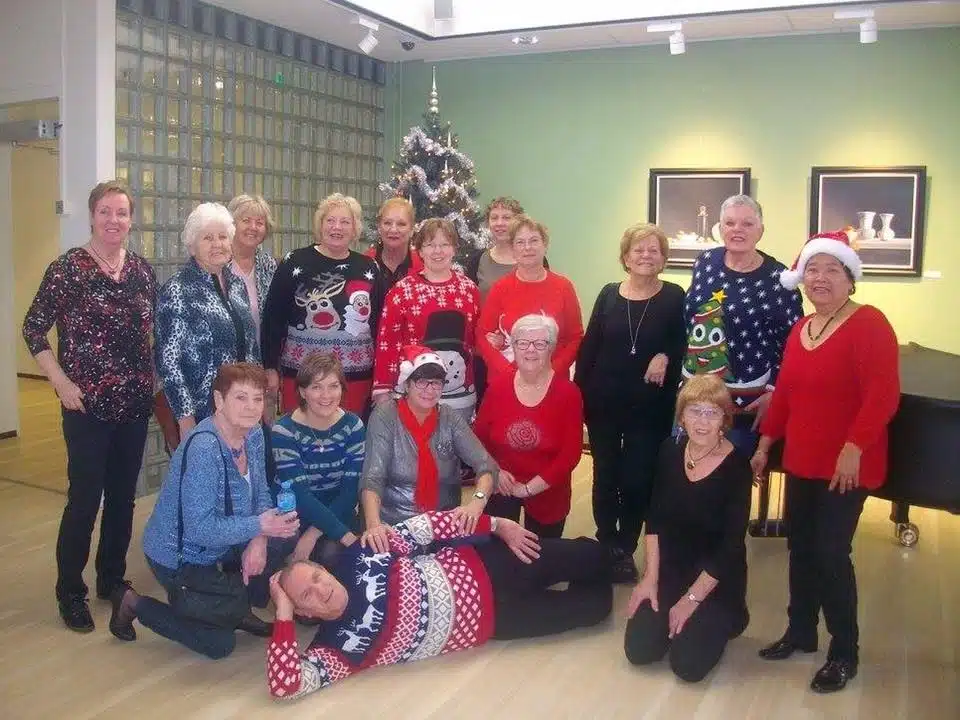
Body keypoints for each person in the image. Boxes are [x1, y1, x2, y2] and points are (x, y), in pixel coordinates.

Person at [751, 232, 900, 694]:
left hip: (847, 464)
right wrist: (764, 443)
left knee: (832, 554)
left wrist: (854, 446)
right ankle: (800, 631)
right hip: (803, 458)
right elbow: (787, 394)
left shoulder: (870, 323)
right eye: (812, 270)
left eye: (831, 270)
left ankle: (844, 650)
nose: (820, 279)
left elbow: (883, 394)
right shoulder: (802, 329)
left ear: (850, 279)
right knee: (800, 546)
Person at [266, 510, 612, 699]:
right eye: (306, 596)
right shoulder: (337, 648)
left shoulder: (361, 554)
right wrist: (282, 608)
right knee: (597, 609)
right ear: (303, 613)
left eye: (316, 578)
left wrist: (497, 524)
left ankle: (586, 559)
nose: (320, 589)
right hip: (499, 622)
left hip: (491, 564)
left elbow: (426, 527)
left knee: (596, 557)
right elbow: (285, 685)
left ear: (324, 569)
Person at [22, 181, 156, 633]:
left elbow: (148, 330)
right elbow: (34, 329)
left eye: (122, 212)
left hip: (134, 402)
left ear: (131, 218)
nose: (114, 220)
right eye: (105, 212)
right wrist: (59, 381)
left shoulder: (140, 270)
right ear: (91, 216)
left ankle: (111, 579)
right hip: (86, 405)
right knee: (84, 500)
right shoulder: (68, 269)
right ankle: (70, 592)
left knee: (122, 498)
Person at [108, 364, 301, 657]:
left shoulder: (254, 433)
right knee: (218, 645)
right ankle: (133, 603)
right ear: (219, 400)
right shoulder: (204, 449)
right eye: (241, 398)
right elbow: (200, 529)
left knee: (284, 535)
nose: (251, 407)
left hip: (224, 542)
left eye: (258, 398)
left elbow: (262, 489)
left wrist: (260, 539)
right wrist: (257, 527)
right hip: (181, 556)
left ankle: (235, 609)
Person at [575, 223, 687, 583]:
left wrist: (666, 356)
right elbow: (589, 347)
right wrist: (577, 399)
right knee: (605, 474)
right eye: (638, 250)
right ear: (625, 256)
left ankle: (625, 545)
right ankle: (606, 543)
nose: (645, 256)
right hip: (603, 401)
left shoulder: (674, 296)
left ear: (663, 258)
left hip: (650, 407)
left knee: (638, 478)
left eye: (653, 250)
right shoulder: (609, 295)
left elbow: (684, 342)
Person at [623, 375, 752, 683]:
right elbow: (654, 519)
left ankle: (730, 617)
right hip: (671, 571)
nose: (703, 421)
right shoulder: (670, 451)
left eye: (712, 412)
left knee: (687, 666)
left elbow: (731, 546)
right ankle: (676, 621)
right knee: (639, 650)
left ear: (725, 418)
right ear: (681, 416)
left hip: (715, 581)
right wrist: (649, 579)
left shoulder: (737, 467)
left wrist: (691, 599)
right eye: (695, 411)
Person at [683, 195, 803, 455]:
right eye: (730, 223)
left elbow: (794, 345)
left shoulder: (779, 280)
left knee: (728, 484)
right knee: (686, 479)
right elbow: (690, 320)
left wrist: (775, 392)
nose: (738, 229)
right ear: (721, 228)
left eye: (747, 224)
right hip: (694, 397)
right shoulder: (705, 263)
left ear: (760, 230)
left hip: (742, 404)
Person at [360, 346, 498, 551]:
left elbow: (486, 465)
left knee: (487, 556)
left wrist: (476, 502)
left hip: (442, 524)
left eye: (436, 383)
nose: (429, 390)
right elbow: (373, 477)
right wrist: (374, 525)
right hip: (394, 524)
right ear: (406, 384)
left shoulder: (449, 417)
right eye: (422, 381)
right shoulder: (385, 415)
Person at [261, 193, 382, 417]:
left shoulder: (369, 267)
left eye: (345, 222)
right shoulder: (295, 261)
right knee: (302, 439)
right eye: (330, 221)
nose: (337, 227)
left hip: (354, 379)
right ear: (320, 224)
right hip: (303, 377)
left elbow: (378, 325)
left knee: (348, 442)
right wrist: (270, 366)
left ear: (355, 228)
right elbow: (273, 318)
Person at [155, 202, 259, 445]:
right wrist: (185, 417)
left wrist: (257, 398)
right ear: (192, 247)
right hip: (203, 410)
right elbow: (168, 362)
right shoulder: (177, 289)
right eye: (207, 238)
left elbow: (251, 348)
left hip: (243, 407)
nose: (217, 244)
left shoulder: (236, 284)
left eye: (223, 237)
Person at [475, 314, 584, 539]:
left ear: (552, 348)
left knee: (541, 561)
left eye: (540, 343)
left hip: (548, 489)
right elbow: (479, 437)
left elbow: (570, 455)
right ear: (513, 347)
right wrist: (495, 470)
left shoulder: (568, 393)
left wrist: (527, 489)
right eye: (522, 343)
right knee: (497, 556)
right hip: (501, 484)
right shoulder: (498, 387)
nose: (530, 350)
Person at [372, 217, 481, 420]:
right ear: (420, 251)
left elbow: (476, 341)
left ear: (454, 249)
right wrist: (383, 389)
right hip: (414, 396)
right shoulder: (402, 291)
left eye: (444, 245)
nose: (437, 251)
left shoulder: (469, 290)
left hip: (460, 396)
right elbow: (387, 343)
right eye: (430, 245)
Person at [271, 352, 365, 561]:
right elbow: (301, 495)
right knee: (285, 544)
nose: (326, 395)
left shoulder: (353, 426)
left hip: (338, 508)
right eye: (316, 387)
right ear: (303, 392)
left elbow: (350, 491)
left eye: (333, 386)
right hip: (294, 510)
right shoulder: (284, 431)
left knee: (331, 553)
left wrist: (312, 535)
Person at [475, 215, 582, 387]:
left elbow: (574, 337)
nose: (527, 248)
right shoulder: (501, 288)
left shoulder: (563, 287)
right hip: (507, 380)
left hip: (551, 380)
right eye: (520, 242)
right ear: (512, 249)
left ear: (545, 245)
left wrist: (552, 370)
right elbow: (482, 334)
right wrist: (508, 371)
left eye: (534, 241)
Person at [227, 193, 278, 341]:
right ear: (232, 225)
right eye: (246, 221)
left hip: (262, 356)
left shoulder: (269, 265)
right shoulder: (219, 264)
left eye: (259, 223)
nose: (253, 227)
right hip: (227, 358)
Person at [365, 196, 422, 296]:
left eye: (401, 224)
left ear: (412, 230)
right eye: (387, 223)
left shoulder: (423, 266)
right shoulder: (365, 263)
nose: (393, 230)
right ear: (379, 228)